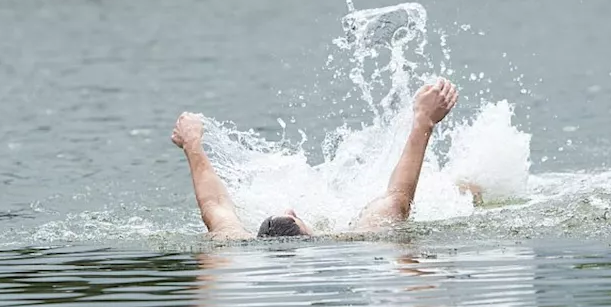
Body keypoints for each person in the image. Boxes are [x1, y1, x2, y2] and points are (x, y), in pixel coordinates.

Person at [171, 78, 460, 239]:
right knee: (462, 191)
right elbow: (397, 199)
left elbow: (215, 203)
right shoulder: (351, 240)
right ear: (303, 226)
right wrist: (424, 120)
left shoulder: (235, 240)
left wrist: (192, 144)